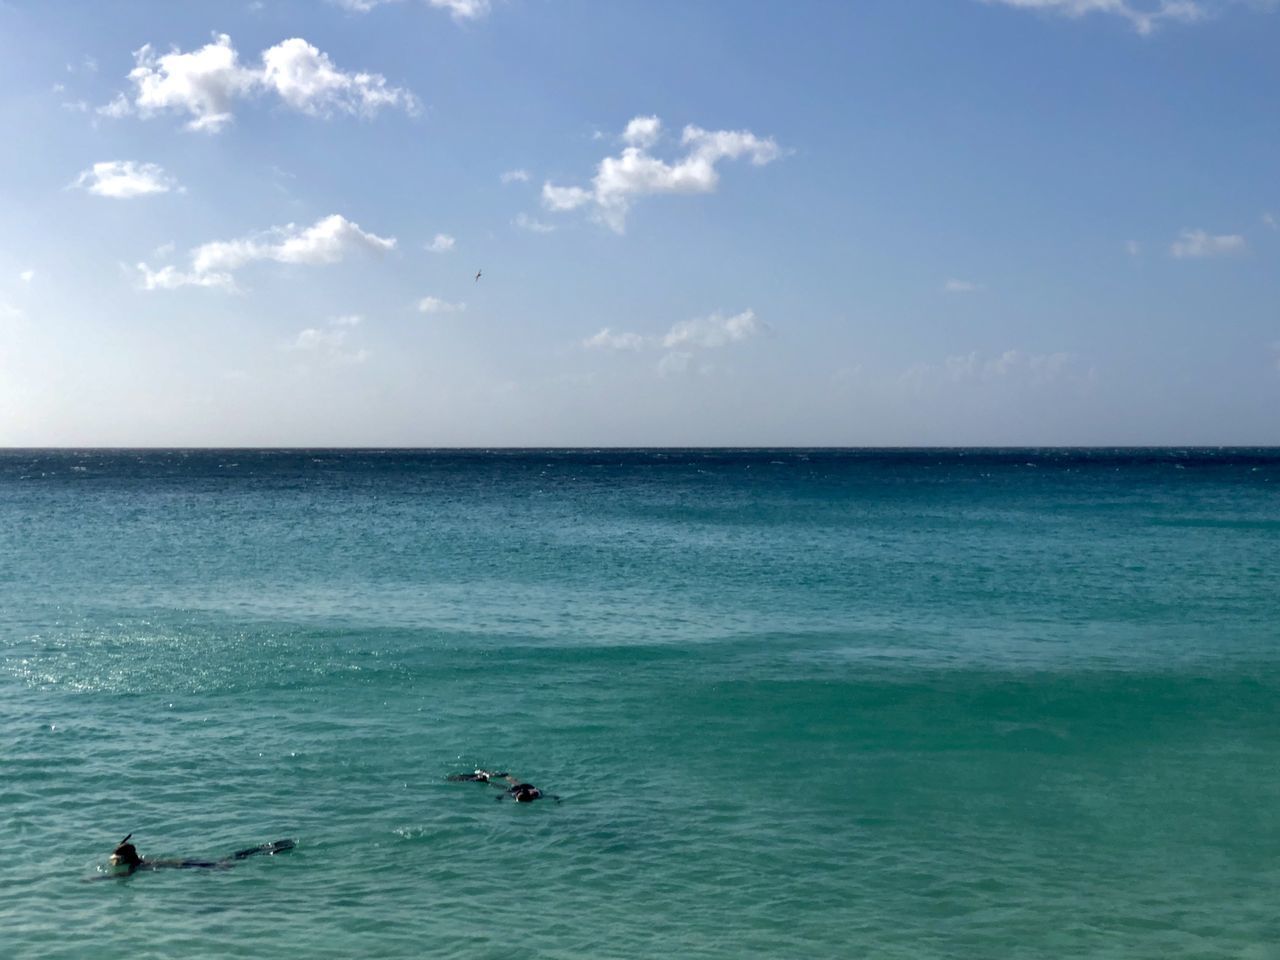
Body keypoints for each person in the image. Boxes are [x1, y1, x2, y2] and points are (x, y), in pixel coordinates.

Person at [101, 834, 295, 877]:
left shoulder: (136, 867)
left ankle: (272, 851)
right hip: (184, 862)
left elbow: (119, 876)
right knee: (231, 858)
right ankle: (268, 848)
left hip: (186, 865)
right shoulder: (141, 860)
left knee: (225, 863)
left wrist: (92, 880)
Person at [446, 769, 560, 803]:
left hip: (520, 788)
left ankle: (485, 779)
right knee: (512, 785)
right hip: (525, 787)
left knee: (503, 786)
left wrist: (499, 798)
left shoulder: (528, 796)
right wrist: (556, 800)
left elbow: (551, 796)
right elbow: (550, 796)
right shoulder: (535, 795)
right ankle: (503, 776)